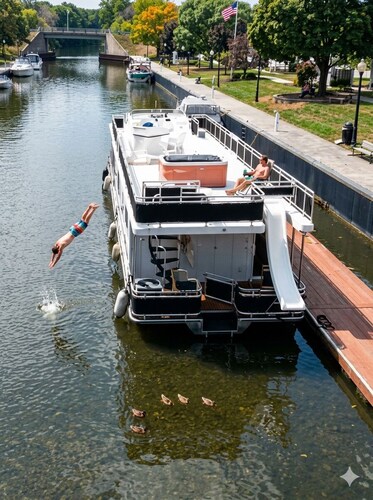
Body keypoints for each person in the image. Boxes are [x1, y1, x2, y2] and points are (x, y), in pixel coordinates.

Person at [49, 203, 99, 268]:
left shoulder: (61, 247)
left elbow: (58, 256)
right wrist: (51, 260)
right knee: (82, 219)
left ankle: (93, 209)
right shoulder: (57, 243)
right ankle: (89, 207)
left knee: (86, 221)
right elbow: (53, 253)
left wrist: (54, 264)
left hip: (75, 232)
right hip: (71, 228)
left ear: (58, 250)